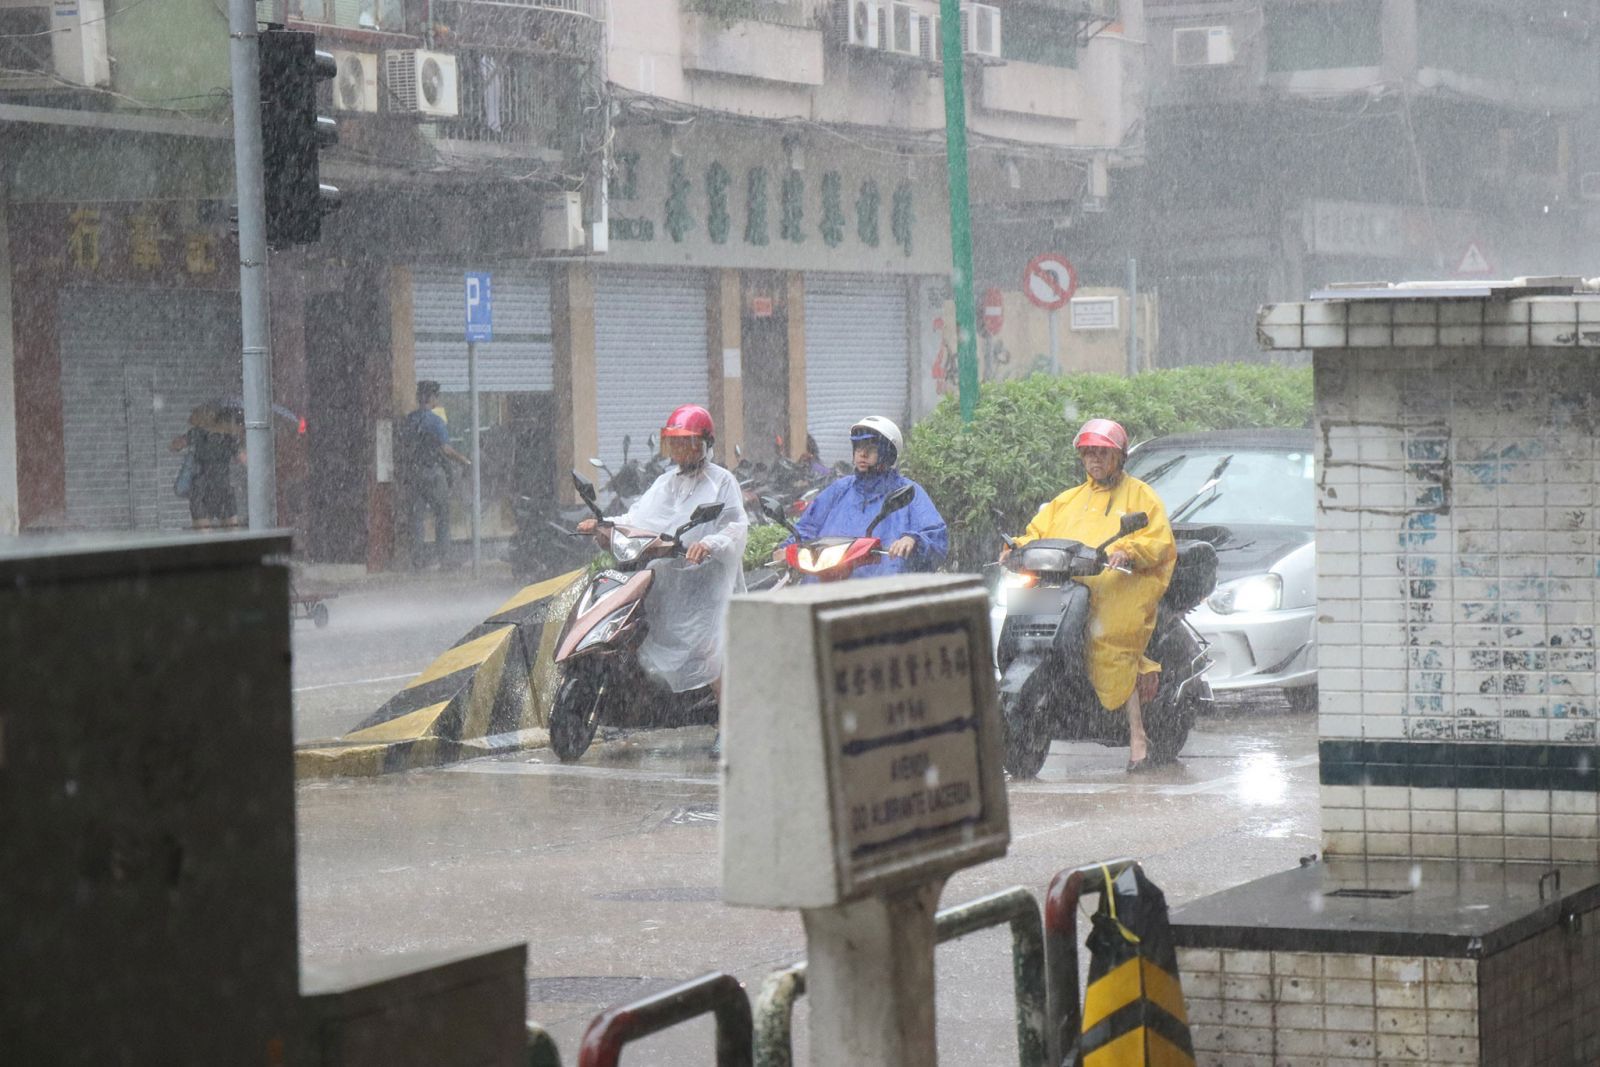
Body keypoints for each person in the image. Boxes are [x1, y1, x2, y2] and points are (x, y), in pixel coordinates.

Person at [1007, 418, 1176, 772]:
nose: (1095, 461)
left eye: (1102, 453)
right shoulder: (1068, 499)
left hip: (1119, 585)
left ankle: (1137, 736)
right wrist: (1017, 547)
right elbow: (1037, 532)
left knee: (1109, 640)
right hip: (1068, 588)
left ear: (1119, 457)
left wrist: (1128, 549)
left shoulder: (1140, 495)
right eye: (1088, 454)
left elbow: (1157, 539)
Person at [577, 404, 748, 698]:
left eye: (688, 442)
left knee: (710, 649)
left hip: (706, 585)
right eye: (676, 443)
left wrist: (708, 544)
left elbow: (735, 526)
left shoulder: (722, 481)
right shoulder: (665, 483)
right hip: (668, 579)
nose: (681, 450)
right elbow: (637, 518)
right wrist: (604, 526)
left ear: (705, 444)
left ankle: (727, 722)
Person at [775, 416, 947, 579]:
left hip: (886, 591)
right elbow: (808, 527)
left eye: (871, 449)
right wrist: (786, 548)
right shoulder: (840, 489)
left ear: (888, 454)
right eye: (858, 448)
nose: (862, 454)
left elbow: (934, 533)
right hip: (829, 583)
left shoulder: (907, 491)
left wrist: (912, 539)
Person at [397, 380, 470, 569]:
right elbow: (445, 449)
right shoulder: (436, 421)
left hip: (413, 473)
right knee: (442, 514)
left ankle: (418, 559)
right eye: (436, 396)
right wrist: (463, 460)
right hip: (433, 472)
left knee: (417, 517)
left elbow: (404, 447)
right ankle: (444, 558)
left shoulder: (409, 420)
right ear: (432, 398)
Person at [170, 401, 244, 529]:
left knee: (203, 538)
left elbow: (174, 446)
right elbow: (244, 460)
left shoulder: (197, 433)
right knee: (233, 535)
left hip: (201, 492)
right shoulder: (229, 439)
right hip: (222, 491)